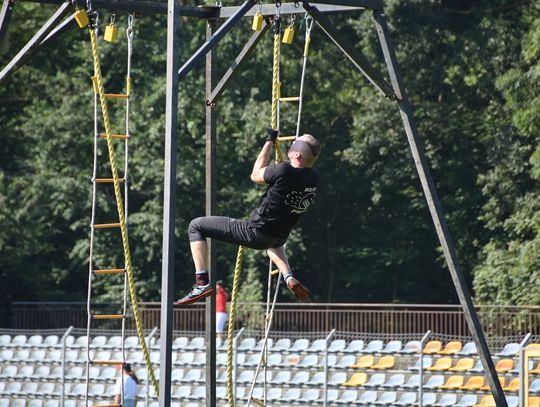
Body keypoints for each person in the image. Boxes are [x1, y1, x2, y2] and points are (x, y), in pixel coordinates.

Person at [175, 129, 321, 305]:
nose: (292, 141)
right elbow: (289, 176)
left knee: (196, 226)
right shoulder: (314, 179)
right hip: (277, 237)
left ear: (297, 154)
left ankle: (201, 283)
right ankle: (288, 276)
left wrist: (268, 141)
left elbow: (255, 175)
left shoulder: (283, 171)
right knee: (273, 244)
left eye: (296, 142)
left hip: (254, 232)